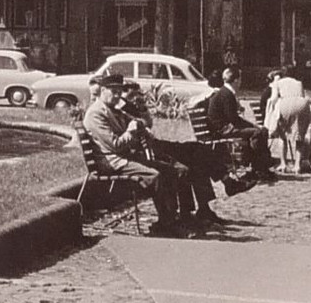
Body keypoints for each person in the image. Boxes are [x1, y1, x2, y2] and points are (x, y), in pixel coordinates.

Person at [83, 73, 219, 235]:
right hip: (114, 162)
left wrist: (142, 127)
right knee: (155, 176)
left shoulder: (114, 110)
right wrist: (131, 131)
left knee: (179, 170)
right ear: (103, 90)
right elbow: (116, 146)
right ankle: (166, 224)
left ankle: (183, 216)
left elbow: (143, 123)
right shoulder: (96, 114)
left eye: (119, 91)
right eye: (114, 91)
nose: (117, 95)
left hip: (127, 157)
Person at [202, 66, 274, 180]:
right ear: (235, 80)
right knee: (257, 133)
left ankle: (262, 166)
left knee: (262, 131)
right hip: (223, 130)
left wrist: (253, 126)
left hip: (224, 127)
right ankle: (259, 167)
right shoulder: (226, 94)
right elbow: (233, 119)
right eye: (240, 78)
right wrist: (253, 126)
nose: (241, 81)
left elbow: (233, 118)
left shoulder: (225, 92)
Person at [263, 68, 311, 174]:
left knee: (282, 136)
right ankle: (297, 166)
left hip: (285, 103)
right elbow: (301, 96)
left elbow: (274, 98)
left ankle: (283, 164)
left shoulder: (278, 83)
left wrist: (272, 111)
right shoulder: (299, 83)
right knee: (299, 137)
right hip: (302, 104)